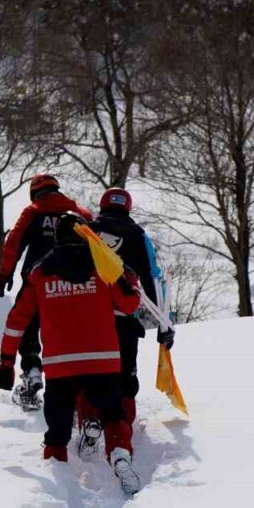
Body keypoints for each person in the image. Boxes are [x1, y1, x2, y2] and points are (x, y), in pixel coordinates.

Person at [0, 213, 143, 495]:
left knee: (57, 433)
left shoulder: (39, 272)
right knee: (114, 415)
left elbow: (17, 321)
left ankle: (58, 489)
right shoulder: (104, 266)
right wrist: (129, 279)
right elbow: (129, 305)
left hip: (60, 366)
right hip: (103, 361)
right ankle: (119, 454)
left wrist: (6, 362)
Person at [76, 188, 172, 457]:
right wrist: (165, 323)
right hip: (125, 320)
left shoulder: (87, 231)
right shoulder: (138, 236)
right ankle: (121, 434)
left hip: (89, 319)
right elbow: (153, 278)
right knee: (125, 377)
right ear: (127, 207)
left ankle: (89, 420)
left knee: (88, 376)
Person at [0, 174, 93, 408]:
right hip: (77, 286)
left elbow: (13, 243)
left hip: (37, 283)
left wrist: (5, 274)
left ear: (34, 192)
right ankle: (77, 388)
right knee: (69, 333)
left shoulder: (33, 212)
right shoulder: (81, 214)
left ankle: (31, 371)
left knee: (27, 326)